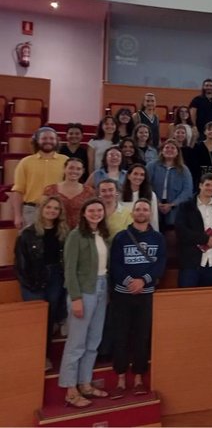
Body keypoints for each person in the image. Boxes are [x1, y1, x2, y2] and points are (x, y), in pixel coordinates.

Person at [108, 199, 167, 399]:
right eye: (138, 209)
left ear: (150, 214)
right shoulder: (121, 237)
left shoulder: (158, 238)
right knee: (121, 335)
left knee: (142, 336)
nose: (141, 212)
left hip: (146, 294)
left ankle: (139, 379)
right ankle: (121, 379)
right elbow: (114, 264)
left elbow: (160, 264)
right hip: (122, 295)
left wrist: (143, 281)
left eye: (145, 209)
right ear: (132, 213)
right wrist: (128, 282)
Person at [58, 198, 111, 408]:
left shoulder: (103, 235)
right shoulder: (75, 235)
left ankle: (85, 384)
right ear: (84, 213)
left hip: (101, 287)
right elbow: (69, 270)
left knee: (93, 341)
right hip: (83, 291)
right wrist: (76, 298)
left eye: (99, 210)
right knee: (76, 343)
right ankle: (70, 390)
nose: (96, 213)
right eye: (92, 210)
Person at [14, 196, 70, 371]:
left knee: (49, 319)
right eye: (49, 207)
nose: (51, 211)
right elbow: (20, 264)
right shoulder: (27, 233)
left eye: (56, 209)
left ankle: (45, 355)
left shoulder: (64, 232)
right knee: (35, 319)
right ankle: (33, 356)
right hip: (33, 279)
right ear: (42, 209)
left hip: (55, 278)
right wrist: (30, 284)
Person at [12, 127, 69, 229]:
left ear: (56, 141)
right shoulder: (25, 162)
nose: (48, 141)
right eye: (44, 138)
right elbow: (18, 190)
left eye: (52, 138)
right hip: (31, 210)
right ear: (37, 141)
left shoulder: (65, 161)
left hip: (56, 211)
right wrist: (17, 216)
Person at [176, 173, 212, 287]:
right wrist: (205, 239)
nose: (210, 188)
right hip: (191, 262)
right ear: (200, 185)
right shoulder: (186, 206)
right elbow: (181, 230)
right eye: (207, 185)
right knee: (187, 299)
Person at [146, 140, 194, 229]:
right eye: (167, 147)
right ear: (162, 151)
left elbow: (187, 191)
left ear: (177, 153)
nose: (169, 150)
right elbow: (146, 185)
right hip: (154, 205)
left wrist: (172, 204)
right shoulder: (151, 166)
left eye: (173, 148)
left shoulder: (184, 170)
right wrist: (157, 202)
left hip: (176, 208)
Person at [43, 158, 95, 229]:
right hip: (55, 232)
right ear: (64, 169)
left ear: (83, 171)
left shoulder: (89, 191)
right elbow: (42, 213)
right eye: (71, 168)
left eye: (78, 169)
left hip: (80, 232)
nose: (74, 171)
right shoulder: (50, 190)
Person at [121, 163, 160, 231]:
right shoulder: (119, 194)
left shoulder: (151, 195)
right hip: (124, 232)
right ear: (128, 176)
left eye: (142, 175)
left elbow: (154, 219)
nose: (138, 177)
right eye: (135, 174)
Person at [192, 122, 212, 188]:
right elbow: (194, 166)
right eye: (209, 129)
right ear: (204, 132)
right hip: (199, 180)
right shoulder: (197, 146)